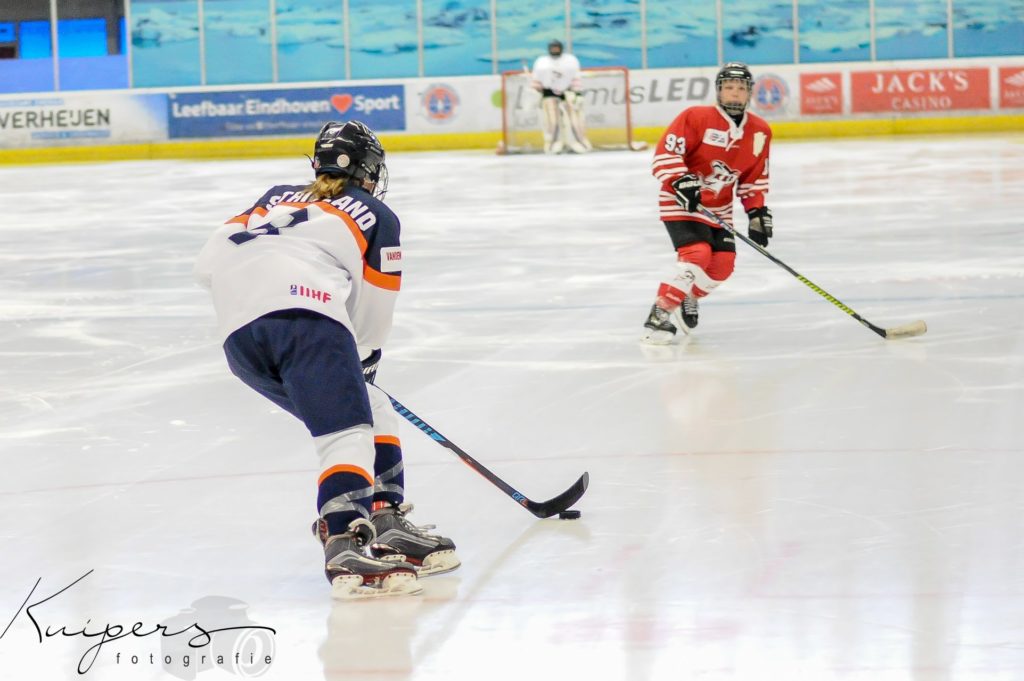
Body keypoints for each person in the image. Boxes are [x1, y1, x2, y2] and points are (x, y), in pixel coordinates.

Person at [194, 120, 459, 599]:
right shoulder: (378, 214)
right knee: (348, 434)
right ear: (369, 169)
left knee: (369, 408)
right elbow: (376, 306)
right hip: (306, 316)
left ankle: (385, 517)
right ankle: (343, 539)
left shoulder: (275, 195)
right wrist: (365, 359)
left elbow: (207, 262)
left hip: (239, 337)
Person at [642, 62, 774, 344]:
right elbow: (665, 154)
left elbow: (753, 179)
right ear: (718, 91)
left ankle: (690, 296)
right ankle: (660, 313)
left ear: (749, 93)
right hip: (682, 203)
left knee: (723, 266)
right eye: (728, 88)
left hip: (719, 210)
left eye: (741, 88)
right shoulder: (695, 117)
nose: (734, 94)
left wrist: (756, 212)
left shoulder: (760, 131)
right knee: (697, 255)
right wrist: (681, 180)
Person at [530, 39, 592, 154]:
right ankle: (552, 145)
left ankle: (579, 143)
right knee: (552, 122)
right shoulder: (542, 62)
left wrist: (577, 93)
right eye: (553, 48)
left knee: (575, 120)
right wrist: (537, 92)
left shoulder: (570, 60)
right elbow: (536, 80)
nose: (555, 50)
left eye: (557, 48)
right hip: (549, 95)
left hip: (568, 94)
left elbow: (576, 77)